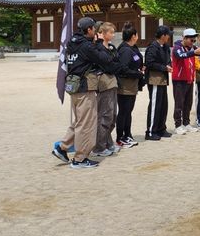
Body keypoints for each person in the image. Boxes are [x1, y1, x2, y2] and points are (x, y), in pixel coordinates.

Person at [51, 17, 114, 168]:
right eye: (93, 28)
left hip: (74, 87)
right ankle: (80, 159)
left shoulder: (71, 44)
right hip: (85, 87)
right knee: (87, 123)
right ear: (89, 30)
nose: (95, 31)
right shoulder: (87, 46)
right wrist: (99, 43)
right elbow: (105, 59)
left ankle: (62, 147)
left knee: (80, 121)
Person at [92, 22, 122, 157]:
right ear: (102, 33)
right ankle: (99, 146)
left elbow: (117, 63)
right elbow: (108, 64)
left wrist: (114, 64)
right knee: (105, 115)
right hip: (104, 83)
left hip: (112, 81)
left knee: (112, 115)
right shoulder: (97, 48)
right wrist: (113, 64)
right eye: (110, 32)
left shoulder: (111, 47)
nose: (113, 34)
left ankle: (108, 143)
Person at [116, 23, 144, 148]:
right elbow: (123, 69)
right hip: (125, 86)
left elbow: (136, 61)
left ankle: (127, 134)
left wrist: (141, 68)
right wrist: (138, 73)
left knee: (128, 111)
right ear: (133, 36)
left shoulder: (133, 48)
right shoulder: (125, 50)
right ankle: (120, 137)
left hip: (132, 85)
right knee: (124, 111)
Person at [171, 29, 200, 135]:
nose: (193, 42)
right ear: (184, 38)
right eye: (191, 40)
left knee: (188, 103)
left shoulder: (191, 48)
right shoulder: (177, 47)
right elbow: (181, 55)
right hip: (179, 80)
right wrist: (193, 52)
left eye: (194, 40)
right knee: (179, 103)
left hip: (189, 79)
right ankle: (178, 125)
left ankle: (186, 123)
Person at [144, 25, 173, 141]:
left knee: (163, 105)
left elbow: (168, 60)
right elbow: (149, 63)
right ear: (163, 36)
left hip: (163, 79)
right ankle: (151, 131)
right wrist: (163, 68)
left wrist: (169, 65)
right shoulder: (152, 47)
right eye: (167, 35)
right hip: (154, 79)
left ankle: (161, 128)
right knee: (155, 105)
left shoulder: (165, 47)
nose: (169, 37)